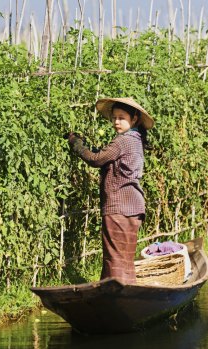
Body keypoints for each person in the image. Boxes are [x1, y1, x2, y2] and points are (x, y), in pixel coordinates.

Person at [66, 97, 154, 284]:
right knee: (125, 260)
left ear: (134, 119)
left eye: (121, 118)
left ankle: (115, 298)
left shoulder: (123, 141)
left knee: (114, 259)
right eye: (114, 118)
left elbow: (96, 159)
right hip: (133, 207)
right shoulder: (136, 140)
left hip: (119, 207)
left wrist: (76, 143)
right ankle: (127, 296)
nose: (116, 122)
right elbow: (107, 157)